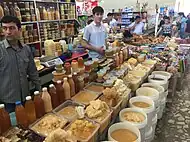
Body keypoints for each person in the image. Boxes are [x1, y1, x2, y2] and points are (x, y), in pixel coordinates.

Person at [0, 15, 40, 113]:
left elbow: (33, 72)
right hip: (8, 102)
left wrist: (39, 89)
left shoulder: (26, 49)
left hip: (26, 98)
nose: (8, 32)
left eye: (12, 28)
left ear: (19, 30)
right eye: (5, 28)